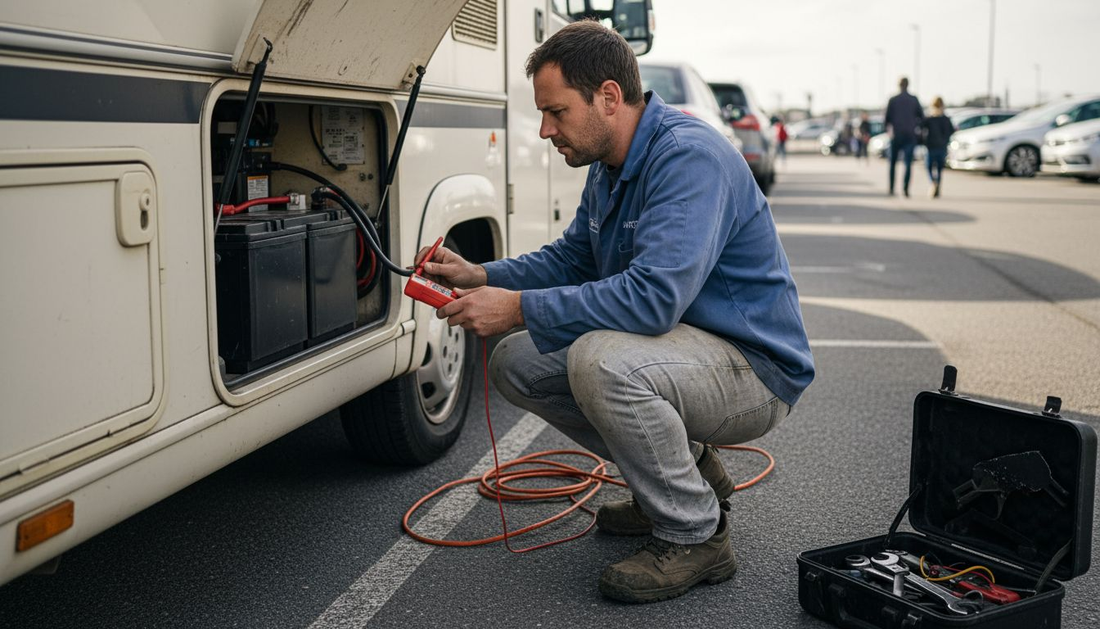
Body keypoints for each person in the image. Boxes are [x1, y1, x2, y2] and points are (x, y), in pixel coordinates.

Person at [414, 20, 815, 604]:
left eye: (556, 112)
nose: (546, 130)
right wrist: (482, 275)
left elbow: (652, 300)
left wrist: (519, 306)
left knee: (601, 362)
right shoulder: (610, 164)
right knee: (516, 362)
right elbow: (574, 257)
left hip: (753, 369)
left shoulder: (687, 158)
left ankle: (696, 534)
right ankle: (688, 474)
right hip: (687, 354)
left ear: (607, 96)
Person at [884, 77, 923, 196]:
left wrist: (889, 131)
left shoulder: (893, 100)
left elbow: (887, 119)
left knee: (893, 163)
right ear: (908, 85)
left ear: (899, 85)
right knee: (908, 163)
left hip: (896, 135)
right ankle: (905, 189)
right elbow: (921, 117)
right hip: (910, 135)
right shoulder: (914, 99)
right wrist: (914, 126)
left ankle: (891, 188)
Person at [921, 96, 955, 198]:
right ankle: (938, 187)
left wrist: (924, 142)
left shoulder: (929, 118)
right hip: (942, 147)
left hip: (931, 147)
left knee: (929, 167)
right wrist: (945, 140)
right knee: (939, 169)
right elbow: (951, 131)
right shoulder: (945, 118)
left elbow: (921, 130)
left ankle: (933, 182)